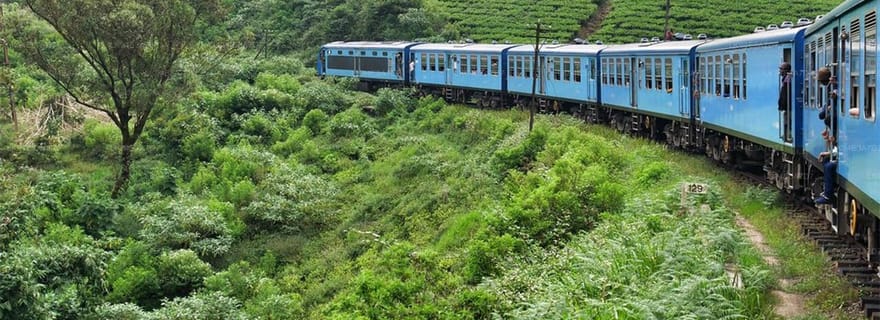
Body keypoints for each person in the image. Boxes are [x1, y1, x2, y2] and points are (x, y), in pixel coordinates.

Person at [815, 134, 838, 204]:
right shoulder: (835, 142)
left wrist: (823, 153)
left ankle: (828, 196)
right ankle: (828, 189)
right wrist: (828, 142)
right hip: (838, 158)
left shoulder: (842, 138)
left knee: (828, 166)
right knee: (825, 161)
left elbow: (835, 152)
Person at [779, 62, 792, 141]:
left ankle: (787, 136)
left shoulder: (787, 79)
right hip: (788, 106)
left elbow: (784, 94)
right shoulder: (786, 79)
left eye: (781, 69)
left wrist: (782, 105)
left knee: (787, 121)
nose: (780, 71)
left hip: (788, 106)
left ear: (786, 70)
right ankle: (787, 135)